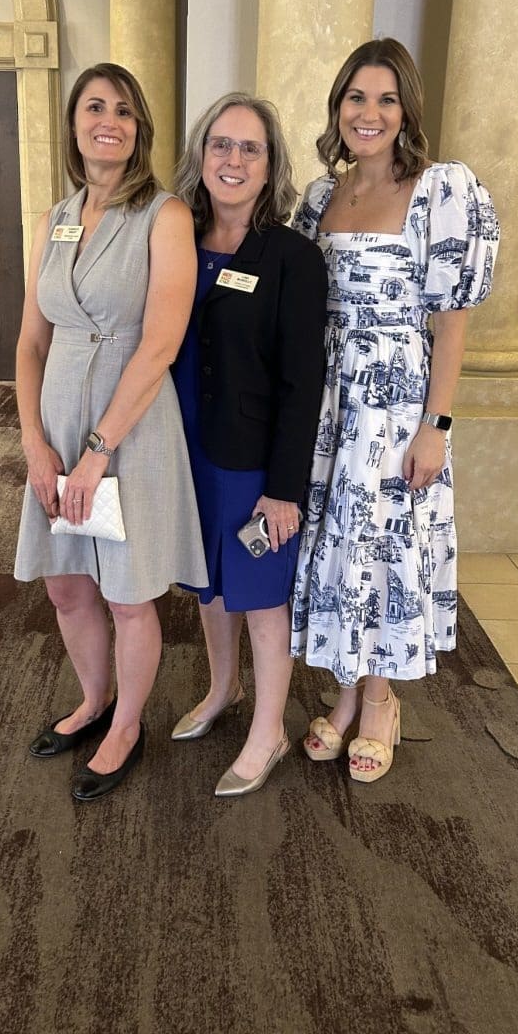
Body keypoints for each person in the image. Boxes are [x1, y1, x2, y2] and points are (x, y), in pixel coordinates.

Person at [291, 38, 499, 782]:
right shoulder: (320, 196)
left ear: (407, 109)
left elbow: (452, 325)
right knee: (339, 546)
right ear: (338, 107)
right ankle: (347, 692)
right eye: (356, 97)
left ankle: (379, 702)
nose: (369, 113)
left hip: (397, 404)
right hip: (330, 398)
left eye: (385, 99)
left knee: (382, 548)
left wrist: (434, 428)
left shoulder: (441, 191)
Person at [13, 63, 207, 801]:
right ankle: (94, 701)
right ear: (73, 124)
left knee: (127, 594)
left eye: (124, 111)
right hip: (59, 418)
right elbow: (30, 344)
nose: (109, 122)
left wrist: (99, 451)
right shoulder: (53, 219)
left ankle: (127, 725)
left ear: (139, 129)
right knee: (66, 585)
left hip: (132, 424)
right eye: (95, 107)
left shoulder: (164, 215)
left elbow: (160, 344)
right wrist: (35, 442)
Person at [170, 93, 327, 797]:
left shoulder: (293, 257)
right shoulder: (174, 239)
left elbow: (303, 383)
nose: (232, 159)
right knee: (207, 582)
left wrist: (284, 489)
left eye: (250, 148)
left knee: (261, 595)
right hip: (184, 448)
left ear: (270, 167)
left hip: (253, 463)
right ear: (201, 155)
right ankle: (222, 688)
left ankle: (269, 731)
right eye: (221, 144)